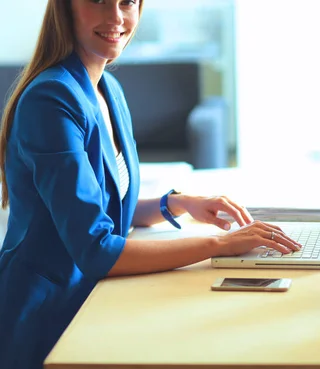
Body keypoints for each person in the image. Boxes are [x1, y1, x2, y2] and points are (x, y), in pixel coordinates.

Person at [0, 1, 302, 368]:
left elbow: (107, 210)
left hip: (92, 300)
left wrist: (174, 204)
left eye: (127, 1)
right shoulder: (51, 101)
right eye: (98, 1)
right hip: (46, 317)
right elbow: (95, 247)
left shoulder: (106, 87)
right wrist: (219, 244)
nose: (115, 16)